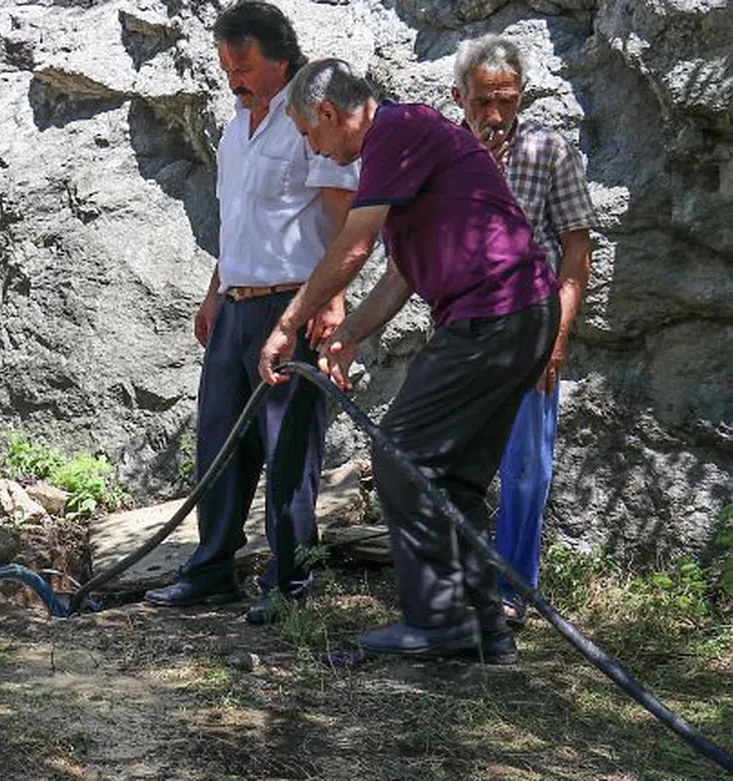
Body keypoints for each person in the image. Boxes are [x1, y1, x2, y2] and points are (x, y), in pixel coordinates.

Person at [258, 59, 560, 663]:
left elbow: (355, 246)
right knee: (456, 478)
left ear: (327, 113)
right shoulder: (406, 148)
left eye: (308, 134)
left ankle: (436, 621)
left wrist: (288, 324)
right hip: (524, 314)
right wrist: (350, 337)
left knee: (400, 455)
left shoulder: (396, 130)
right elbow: (399, 274)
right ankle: (482, 630)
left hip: (494, 314)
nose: (311, 148)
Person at [144, 1, 359, 625]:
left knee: (287, 447)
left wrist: (334, 302)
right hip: (238, 304)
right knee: (219, 440)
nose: (231, 76)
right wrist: (217, 289)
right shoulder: (235, 127)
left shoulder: (309, 115)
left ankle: (289, 581)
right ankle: (212, 569)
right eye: (225, 64)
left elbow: (345, 212)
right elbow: (237, 221)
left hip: (294, 304)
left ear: (280, 59)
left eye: (242, 65)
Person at [451, 35, 596, 627]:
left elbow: (577, 246)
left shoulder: (549, 151)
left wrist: (558, 338)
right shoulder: (446, 152)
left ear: (522, 97)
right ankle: (462, 585)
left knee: (527, 467)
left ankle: (515, 589)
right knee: (455, 460)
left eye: (506, 101)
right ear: (459, 96)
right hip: (463, 326)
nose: (494, 114)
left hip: (530, 325)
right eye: (483, 100)